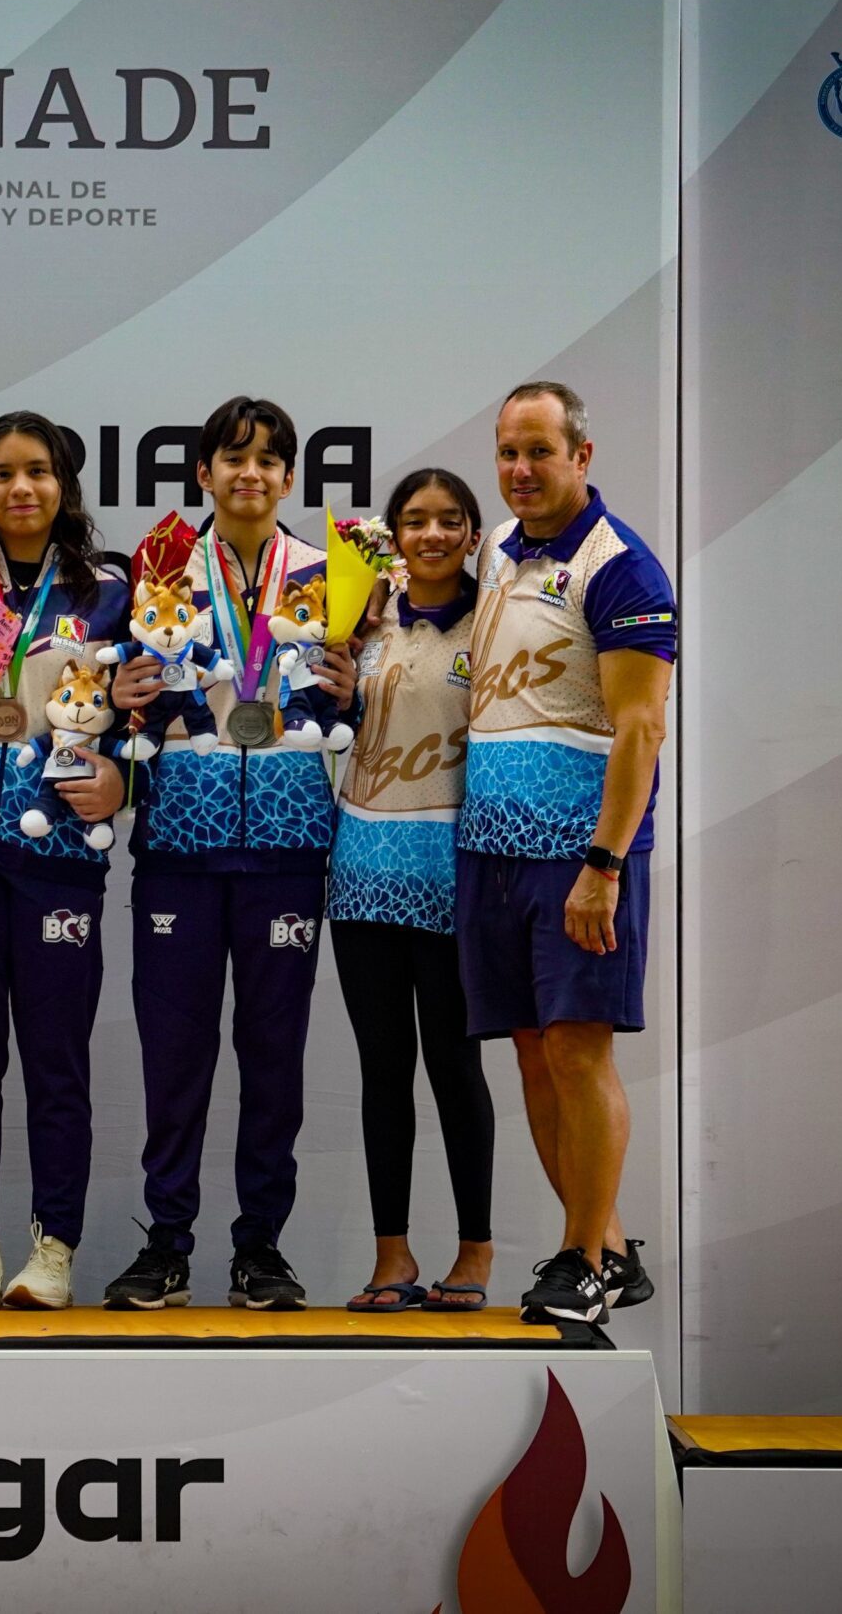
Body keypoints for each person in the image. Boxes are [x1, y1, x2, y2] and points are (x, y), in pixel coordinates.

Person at [100, 397, 353, 1312]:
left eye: (269, 458)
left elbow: (353, 706)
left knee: (274, 1058)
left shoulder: (329, 574)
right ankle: (166, 1243)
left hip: (288, 848)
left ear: (289, 476)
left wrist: (353, 692)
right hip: (180, 847)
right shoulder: (159, 566)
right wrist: (123, 695)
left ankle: (261, 1249)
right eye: (233, 457)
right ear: (203, 472)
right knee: (175, 1058)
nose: (251, 472)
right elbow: (126, 700)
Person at [0, 411, 151, 1310]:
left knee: (57, 1062)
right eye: (3, 472)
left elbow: (148, 714)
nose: (21, 488)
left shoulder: (111, 590)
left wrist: (123, 779)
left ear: (64, 484)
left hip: (59, 854)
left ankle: (53, 1250)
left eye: (39, 471)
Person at [458, 382, 675, 1326]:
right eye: (508, 451)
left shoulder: (621, 567)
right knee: (535, 1058)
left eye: (539, 451)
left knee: (580, 1054)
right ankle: (608, 1248)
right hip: (491, 849)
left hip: (576, 859)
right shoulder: (498, 551)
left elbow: (642, 729)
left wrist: (605, 864)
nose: (520, 469)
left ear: (582, 455)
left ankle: (582, 1258)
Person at [327, 468, 495, 1313]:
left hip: (455, 873)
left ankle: (475, 1250)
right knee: (383, 1068)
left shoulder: (495, 620)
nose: (432, 534)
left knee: (454, 1064)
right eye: (416, 520)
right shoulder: (361, 617)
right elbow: (332, 722)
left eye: (449, 520)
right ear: (392, 535)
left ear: (473, 534)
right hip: (362, 868)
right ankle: (391, 1255)